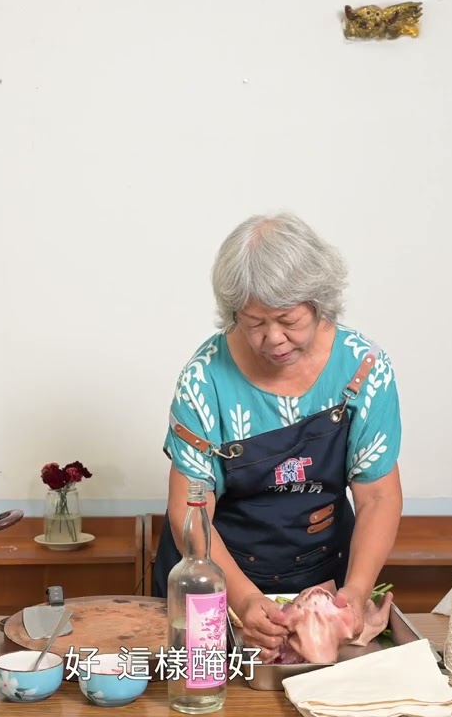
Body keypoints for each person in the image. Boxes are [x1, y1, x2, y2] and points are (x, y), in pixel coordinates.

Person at [151, 212, 403, 659]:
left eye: (288, 319)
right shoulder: (204, 378)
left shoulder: (364, 370)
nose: (273, 339)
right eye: (253, 322)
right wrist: (244, 599)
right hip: (218, 573)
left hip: (322, 570)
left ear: (319, 302)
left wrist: (356, 594)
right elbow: (188, 509)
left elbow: (378, 498)